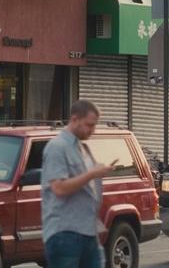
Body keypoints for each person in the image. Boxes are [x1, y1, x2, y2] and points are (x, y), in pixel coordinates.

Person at [41, 100, 118, 268]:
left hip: (88, 230)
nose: (93, 130)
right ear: (74, 119)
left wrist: (99, 172)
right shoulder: (57, 147)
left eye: (94, 125)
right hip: (65, 232)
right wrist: (92, 173)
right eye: (89, 125)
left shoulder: (82, 148)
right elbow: (59, 188)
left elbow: (86, 185)